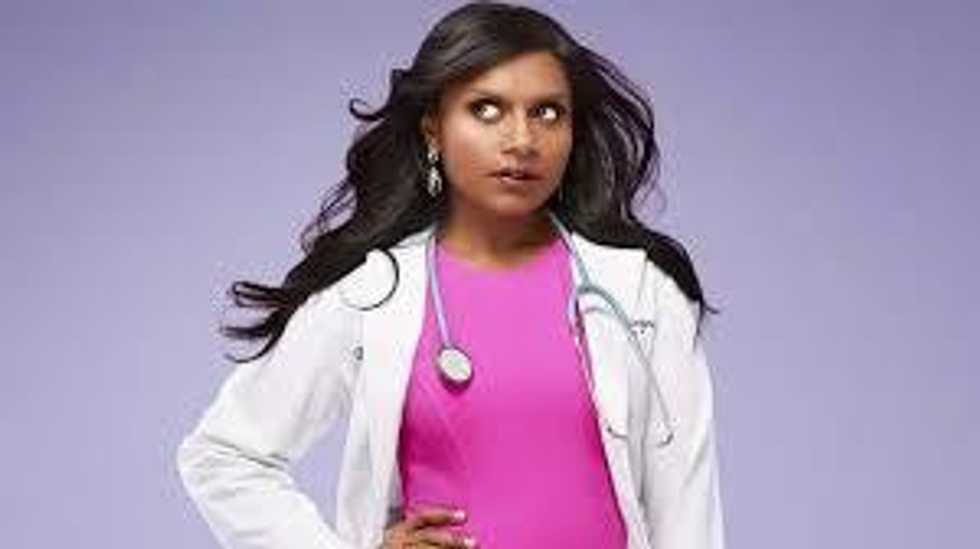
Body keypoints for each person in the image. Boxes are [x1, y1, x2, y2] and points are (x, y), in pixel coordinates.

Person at [176, 2, 725, 548]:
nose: (522, 140)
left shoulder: (640, 290)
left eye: (547, 112)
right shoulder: (371, 292)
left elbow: (687, 511)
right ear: (433, 129)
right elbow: (223, 454)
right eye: (486, 109)